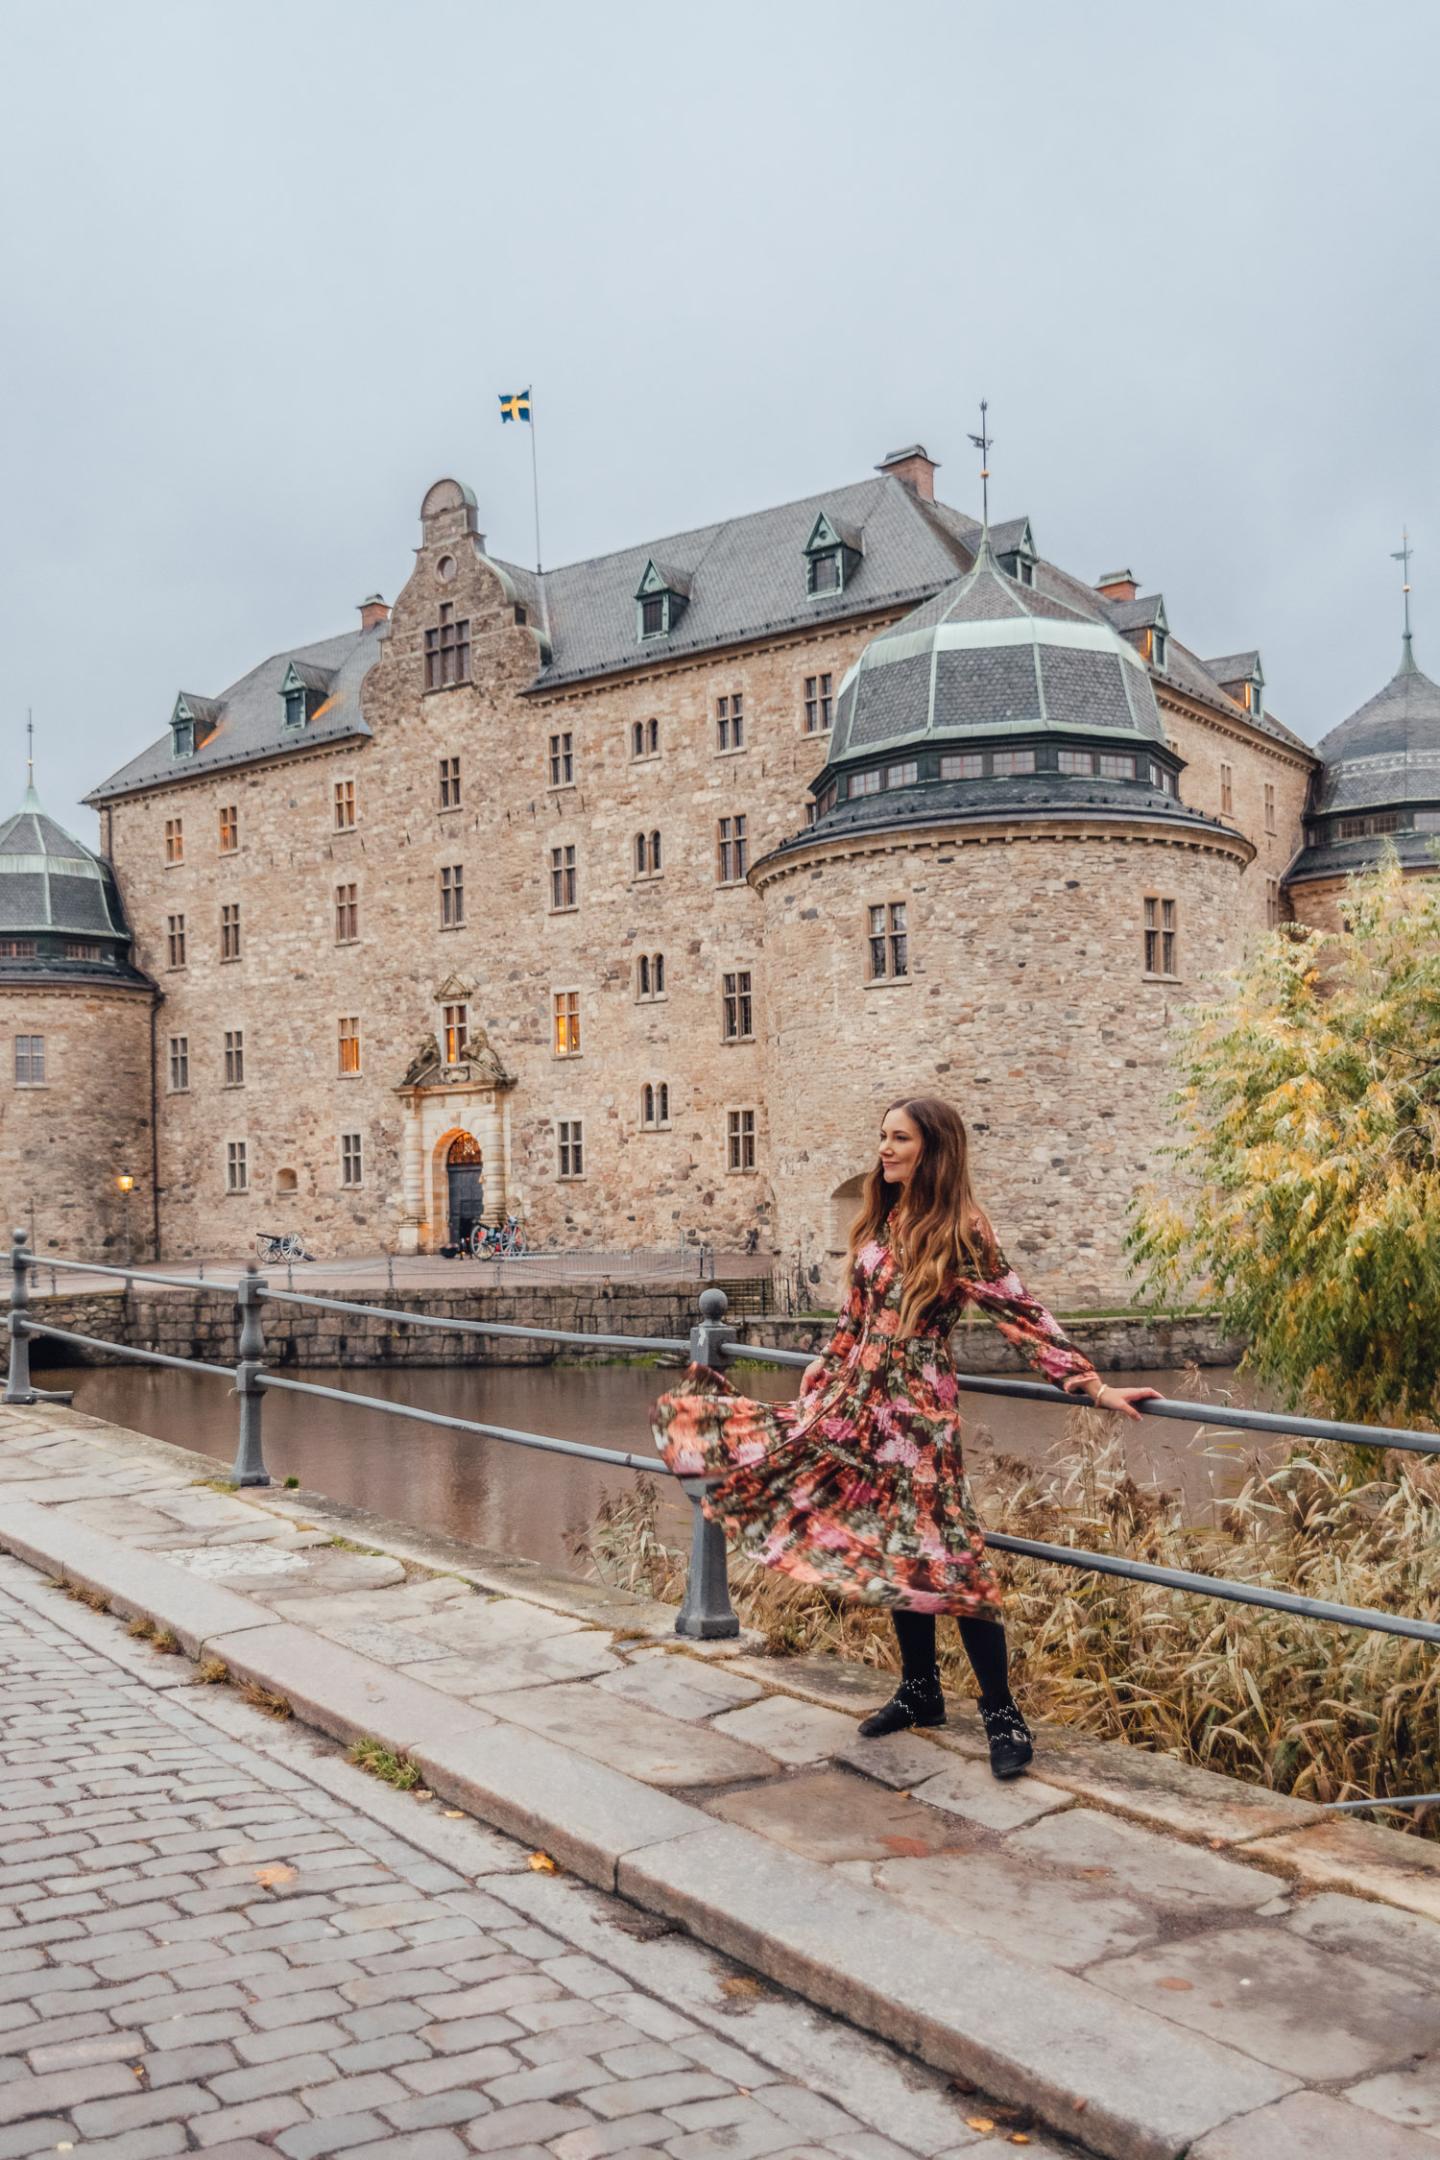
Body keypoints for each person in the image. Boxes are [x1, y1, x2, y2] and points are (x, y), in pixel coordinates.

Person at [653, 1096, 1159, 1778]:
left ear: (934, 1149)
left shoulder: (962, 1228)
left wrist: (1092, 1385)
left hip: (917, 1416)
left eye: (899, 1139)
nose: (884, 1149)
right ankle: (920, 1691)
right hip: (855, 1402)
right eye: (883, 1137)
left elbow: (1022, 1312)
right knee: (892, 1548)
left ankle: (1002, 1714)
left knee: (951, 1556)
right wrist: (825, 1367)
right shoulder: (883, 1218)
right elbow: (853, 1318)